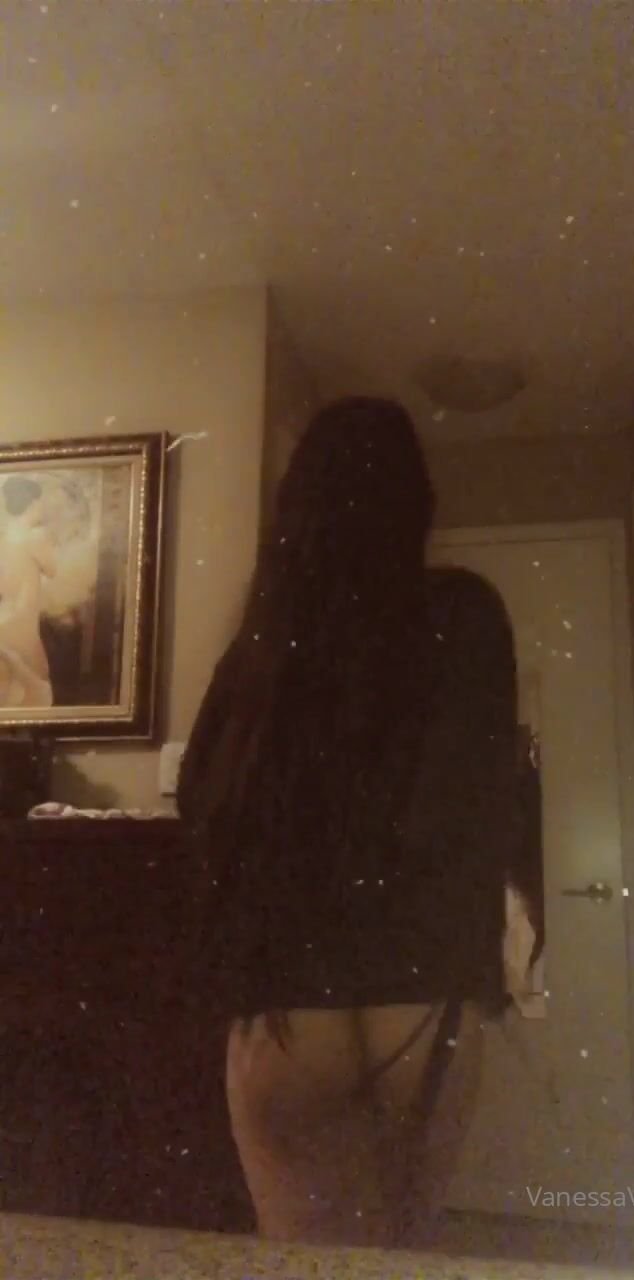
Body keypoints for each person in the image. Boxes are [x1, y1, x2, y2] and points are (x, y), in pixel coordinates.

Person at [177, 397, 524, 1249]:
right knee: (402, 1249)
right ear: (417, 503)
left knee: (301, 1255)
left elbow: (197, 799)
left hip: (287, 1006)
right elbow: (469, 806)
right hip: (418, 996)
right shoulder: (466, 614)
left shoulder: (264, 646)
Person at [0, 475, 56, 708]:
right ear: (32, 502)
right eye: (40, 500)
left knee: (10, 692)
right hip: (23, 623)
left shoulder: (3, 538)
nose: (42, 506)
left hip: (5, 619)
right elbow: (52, 569)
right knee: (36, 689)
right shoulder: (36, 536)